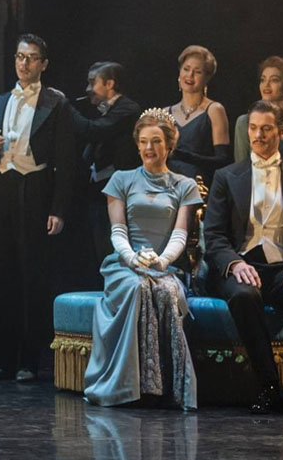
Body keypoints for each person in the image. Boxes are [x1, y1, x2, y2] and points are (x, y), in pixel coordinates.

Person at [204, 100, 283, 415]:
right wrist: (234, 263)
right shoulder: (226, 176)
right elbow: (215, 236)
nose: (257, 135)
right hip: (242, 265)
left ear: (282, 130)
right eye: (253, 128)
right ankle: (270, 386)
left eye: (266, 129)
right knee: (245, 295)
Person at [82, 109, 202, 410]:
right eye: (144, 142)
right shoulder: (121, 180)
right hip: (124, 265)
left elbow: (180, 234)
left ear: (169, 145)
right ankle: (131, 387)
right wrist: (133, 258)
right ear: (137, 145)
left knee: (166, 291)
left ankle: (165, 388)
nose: (150, 148)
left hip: (164, 265)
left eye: (157, 141)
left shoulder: (184, 185)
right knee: (138, 288)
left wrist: (161, 262)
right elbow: (118, 230)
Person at [0, 34, 76, 382]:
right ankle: (2, 359)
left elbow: (67, 161)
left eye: (32, 58)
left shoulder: (57, 103)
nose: (24, 64)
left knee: (29, 276)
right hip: (3, 188)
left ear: (43, 64)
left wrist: (59, 209)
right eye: (20, 57)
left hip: (35, 188)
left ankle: (27, 360)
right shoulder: (3, 99)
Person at [68, 61, 144, 284]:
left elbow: (94, 131)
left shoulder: (128, 108)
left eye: (92, 82)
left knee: (112, 250)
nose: (87, 89)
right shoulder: (103, 110)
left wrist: (64, 106)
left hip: (118, 195)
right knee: (97, 249)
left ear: (110, 84)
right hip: (98, 193)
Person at [166, 45, 231, 188]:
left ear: (207, 77)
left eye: (197, 72)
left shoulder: (215, 110)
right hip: (166, 186)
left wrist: (182, 155)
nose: (190, 75)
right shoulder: (166, 113)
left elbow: (223, 160)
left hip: (199, 186)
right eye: (186, 69)